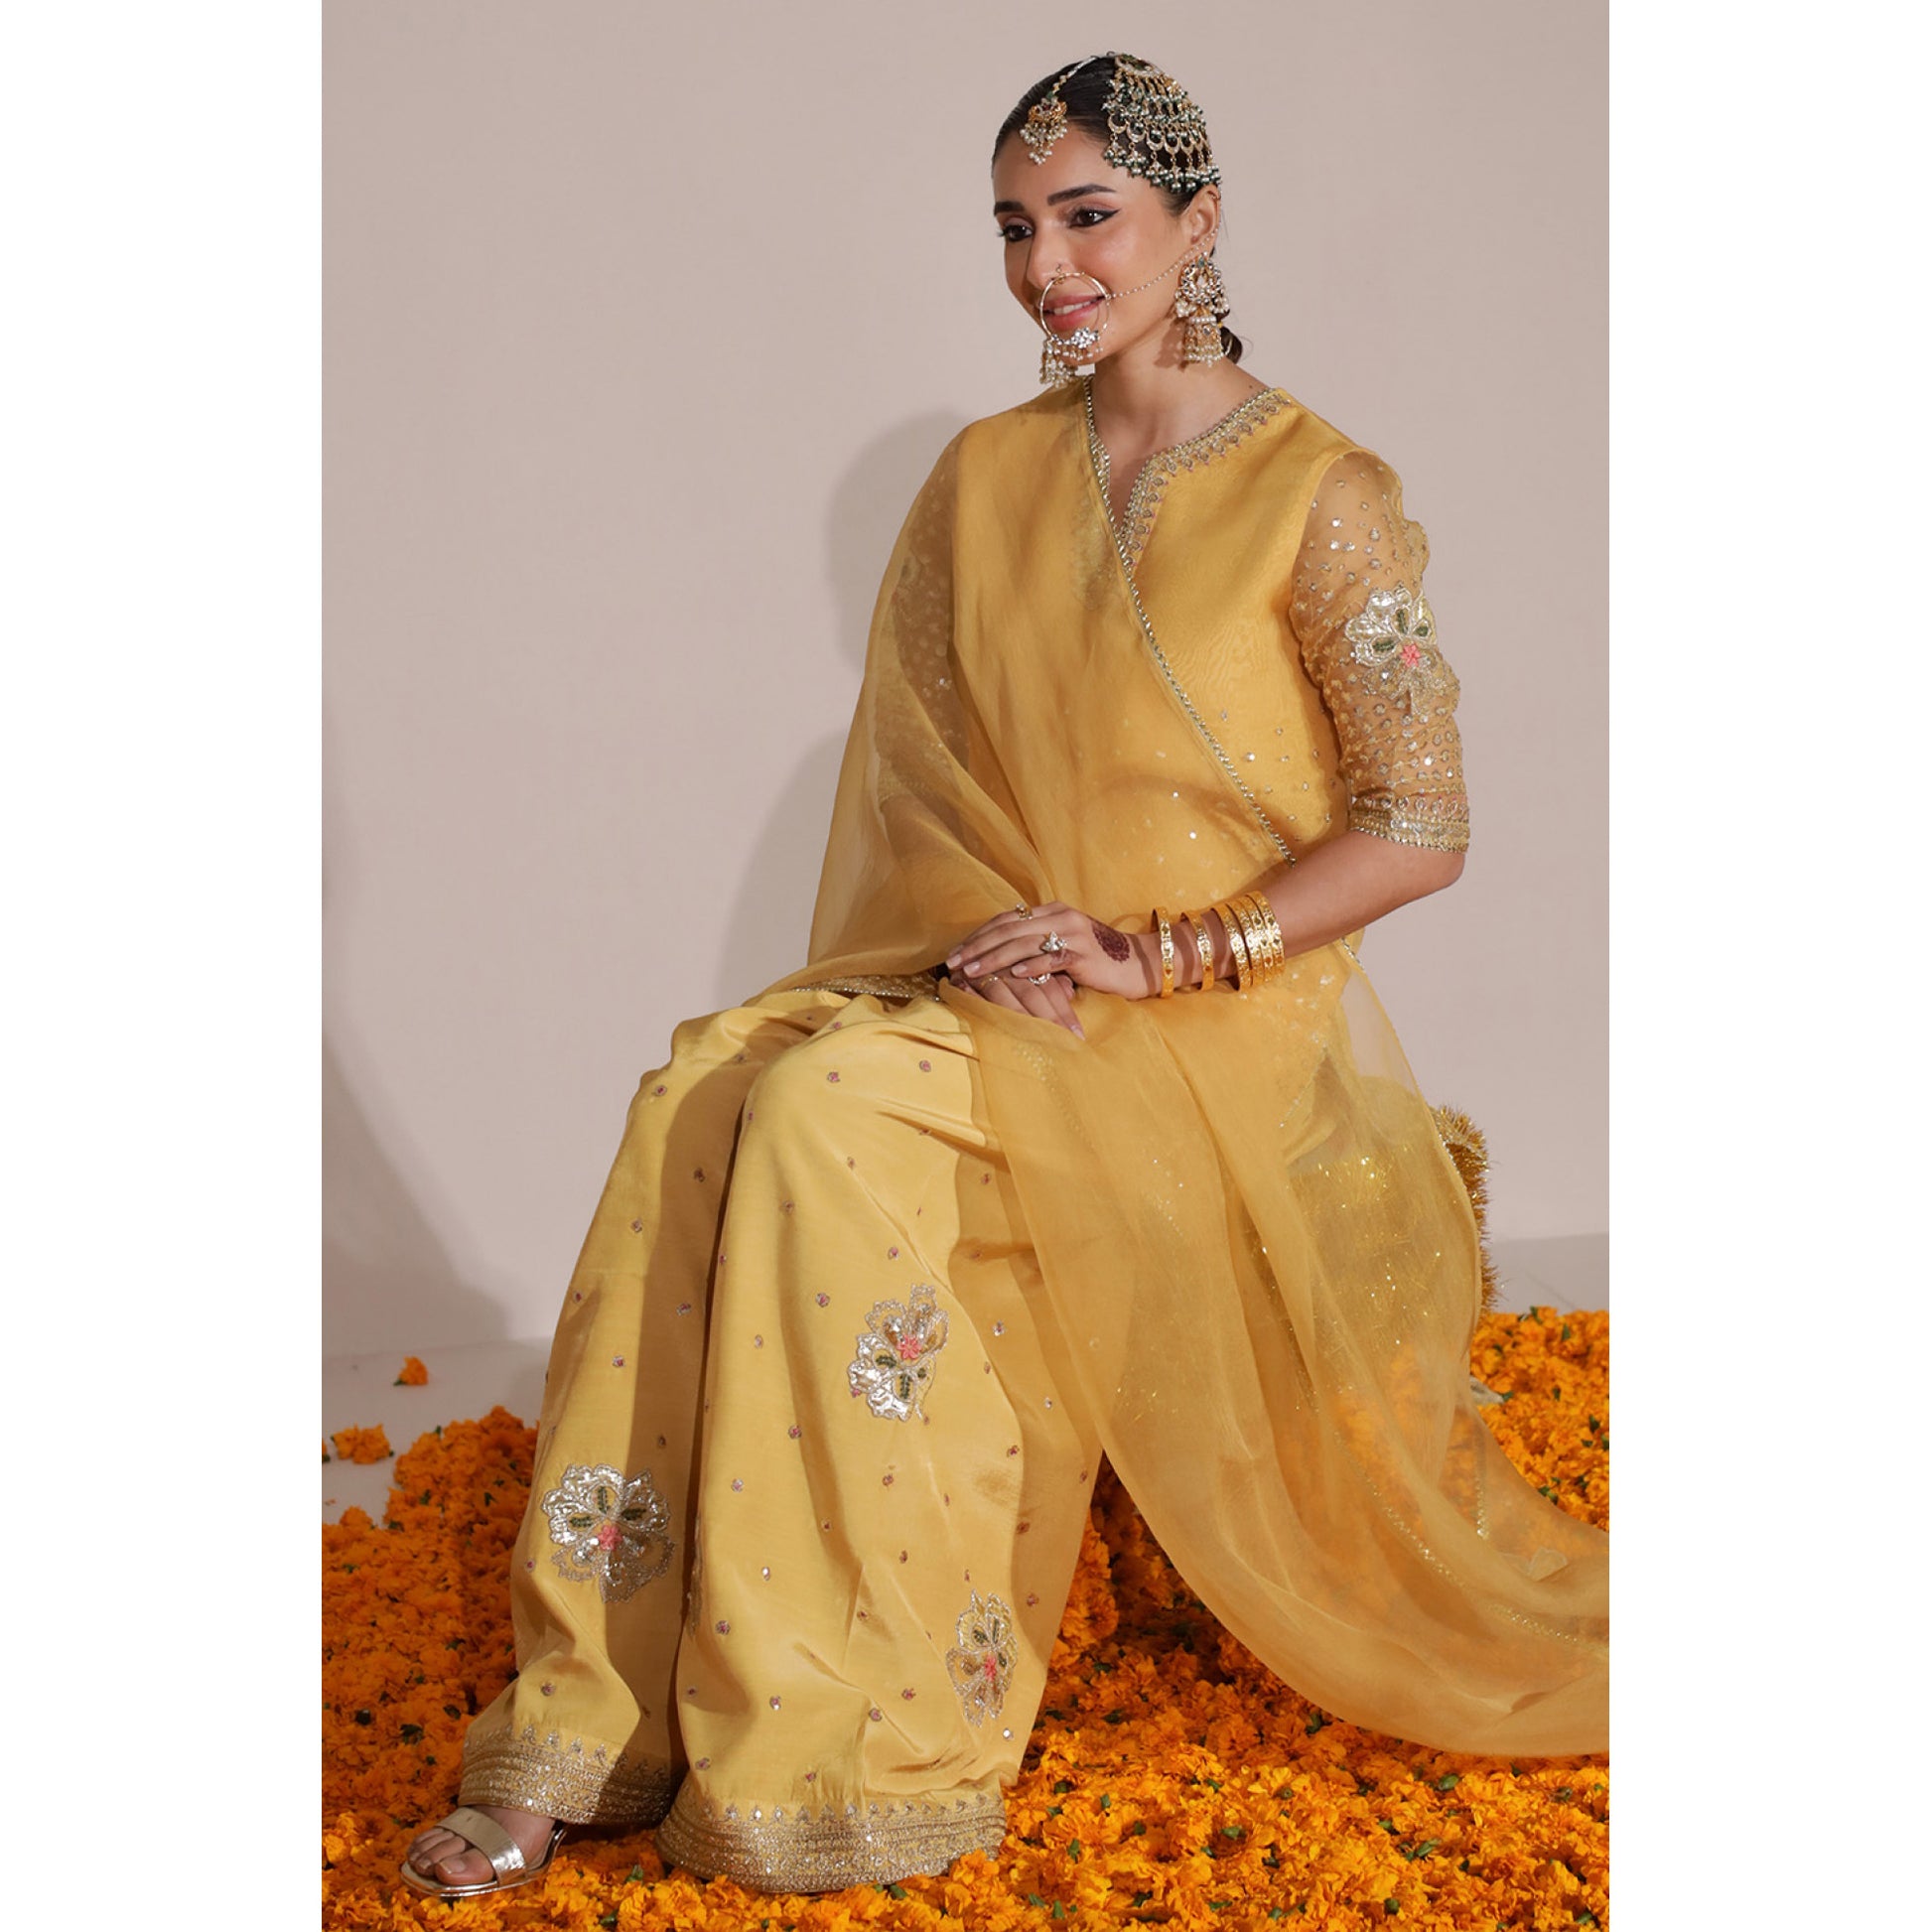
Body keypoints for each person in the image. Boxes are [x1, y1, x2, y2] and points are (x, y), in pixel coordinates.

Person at [402, 50, 1608, 1902]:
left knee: (820, 1110)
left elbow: (1419, 823)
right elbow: (931, 793)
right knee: (698, 1092)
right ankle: (588, 1716)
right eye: (1015, 228)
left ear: (1197, 221)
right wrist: (1004, 941)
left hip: (1212, 1024)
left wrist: (1157, 951)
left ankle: (839, 1728)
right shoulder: (982, 479)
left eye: (1089, 216)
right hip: (1011, 990)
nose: (1050, 266)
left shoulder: (1318, 493)